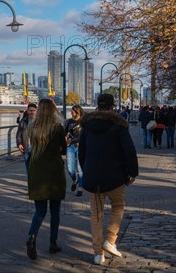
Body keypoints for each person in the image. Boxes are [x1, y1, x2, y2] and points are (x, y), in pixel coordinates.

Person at [78, 93, 139, 265]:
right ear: (113, 106)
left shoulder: (87, 126)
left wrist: (87, 171)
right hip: (115, 177)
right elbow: (129, 151)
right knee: (118, 207)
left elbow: (82, 152)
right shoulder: (118, 125)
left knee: (96, 215)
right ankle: (110, 241)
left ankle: (98, 254)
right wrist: (132, 172)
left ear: (98, 106)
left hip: (93, 178)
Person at [24, 99, 66, 260]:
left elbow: (32, 147)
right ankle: (52, 243)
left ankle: (31, 237)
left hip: (36, 171)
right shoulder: (57, 128)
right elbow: (63, 149)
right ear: (52, 110)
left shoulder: (32, 127)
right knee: (55, 211)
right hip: (54, 172)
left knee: (40, 210)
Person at [64, 105, 84, 196]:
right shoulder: (68, 122)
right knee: (70, 169)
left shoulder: (84, 122)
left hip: (81, 147)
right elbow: (64, 133)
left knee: (80, 169)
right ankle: (74, 180)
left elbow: (83, 136)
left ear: (78, 112)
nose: (71, 113)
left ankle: (80, 189)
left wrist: (71, 140)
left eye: (72, 111)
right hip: (70, 147)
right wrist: (65, 138)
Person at [16, 103, 37, 171]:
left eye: (33, 110)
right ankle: (31, 181)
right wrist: (19, 144)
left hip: (36, 148)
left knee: (35, 168)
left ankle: (34, 180)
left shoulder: (39, 122)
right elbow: (18, 134)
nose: (32, 112)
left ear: (36, 111)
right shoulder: (23, 121)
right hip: (26, 147)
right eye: (30, 110)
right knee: (28, 168)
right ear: (27, 111)